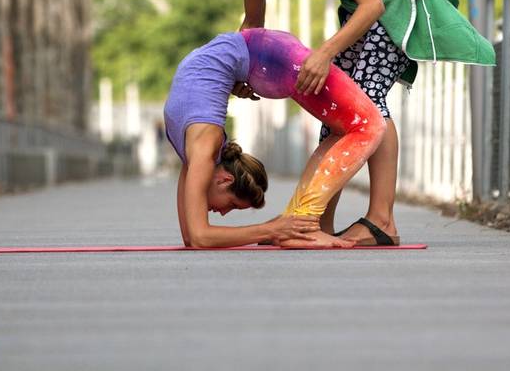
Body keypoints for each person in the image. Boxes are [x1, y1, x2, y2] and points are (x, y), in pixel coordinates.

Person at [226, 0, 496, 244]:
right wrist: (238, 70)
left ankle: (382, 221)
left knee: (367, 102)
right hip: (361, 7)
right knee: (334, 110)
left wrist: (324, 53)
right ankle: (313, 222)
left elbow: (373, 4)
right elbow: (252, 27)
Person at [164, 28, 386, 249]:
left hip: (271, 57)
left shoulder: (203, 148)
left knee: (369, 125)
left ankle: (303, 226)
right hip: (263, 53)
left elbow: (198, 237)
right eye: (232, 205)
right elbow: (195, 237)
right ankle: (301, 225)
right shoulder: (200, 150)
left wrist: (277, 229)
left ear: (225, 180)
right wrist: (274, 228)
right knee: (357, 127)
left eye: (231, 205)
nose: (222, 213)